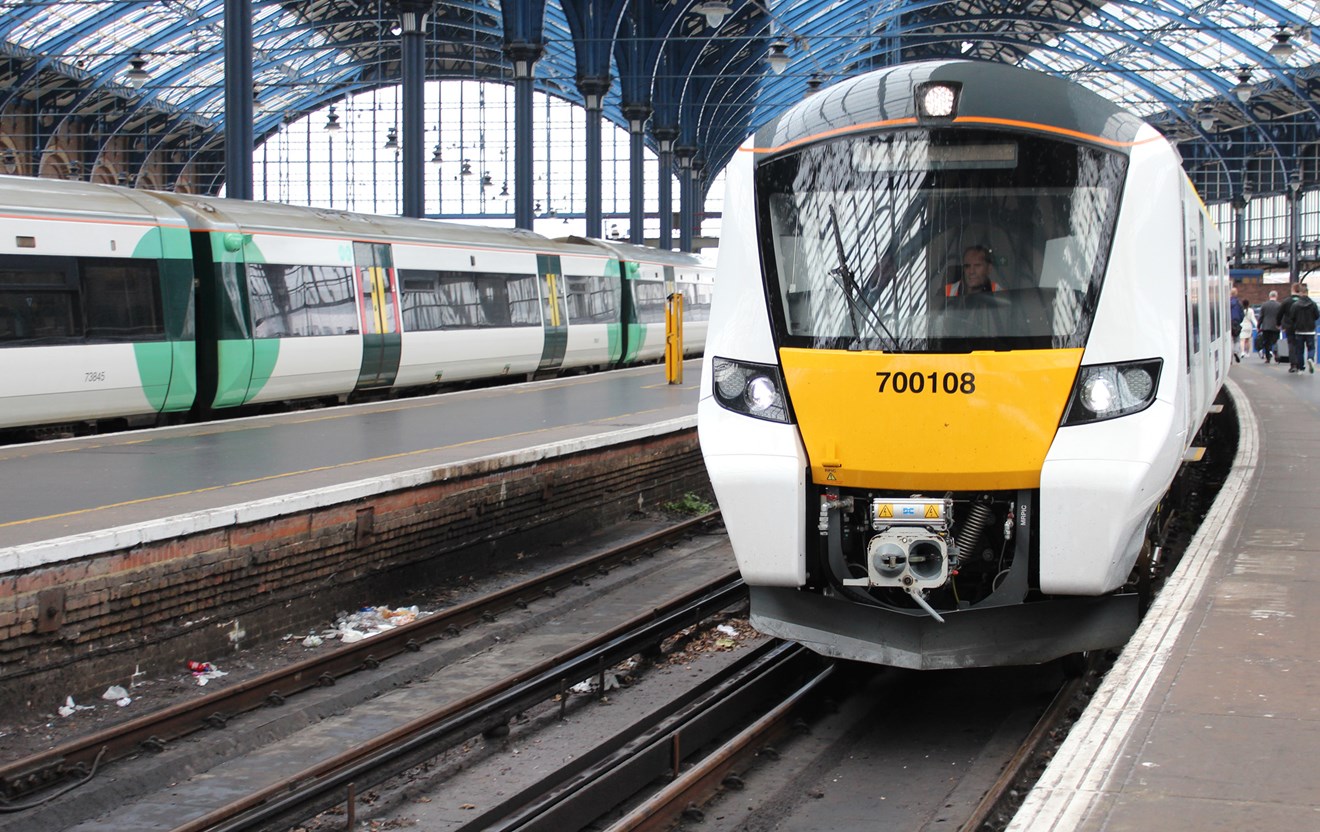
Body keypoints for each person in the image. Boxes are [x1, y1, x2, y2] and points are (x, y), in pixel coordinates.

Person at [1284, 283, 1319, 374]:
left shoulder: (1295, 305)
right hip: (1310, 330)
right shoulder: (1313, 304)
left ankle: (1301, 368)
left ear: (1300, 293)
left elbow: (1292, 317)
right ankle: (1310, 358)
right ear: (1307, 292)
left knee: (1300, 350)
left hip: (1299, 331)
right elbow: (1317, 316)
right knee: (1311, 348)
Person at [1258, 290, 1284, 363]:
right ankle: (1276, 354)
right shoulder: (1279, 305)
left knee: (1267, 342)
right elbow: (1282, 316)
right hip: (1276, 326)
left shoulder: (1264, 305)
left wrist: (1258, 326)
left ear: (1269, 296)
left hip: (1266, 326)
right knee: (1275, 341)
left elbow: (1261, 316)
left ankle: (1268, 358)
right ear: (1276, 296)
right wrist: (1281, 325)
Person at [1230, 287, 1245, 362]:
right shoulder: (1239, 303)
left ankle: (1230, 358)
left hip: (1229, 323)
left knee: (1229, 340)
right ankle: (1236, 351)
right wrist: (1240, 321)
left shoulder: (1228, 302)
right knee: (1237, 339)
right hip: (1236, 323)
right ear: (1236, 293)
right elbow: (1242, 314)